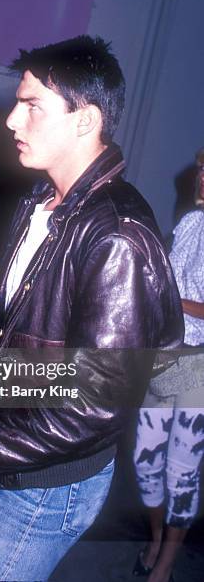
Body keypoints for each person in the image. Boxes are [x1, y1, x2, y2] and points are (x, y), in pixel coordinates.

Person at [0, 35, 183, 581]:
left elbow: (99, 398)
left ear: (84, 120)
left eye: (32, 106)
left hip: (49, 485)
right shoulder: (38, 205)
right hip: (15, 454)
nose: (10, 122)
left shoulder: (117, 235)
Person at [133, 148, 204, 582]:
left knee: (182, 470)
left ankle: (169, 558)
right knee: (145, 463)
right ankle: (157, 536)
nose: (201, 178)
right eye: (201, 168)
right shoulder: (191, 222)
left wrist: (166, 299)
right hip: (163, 357)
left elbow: (172, 294)